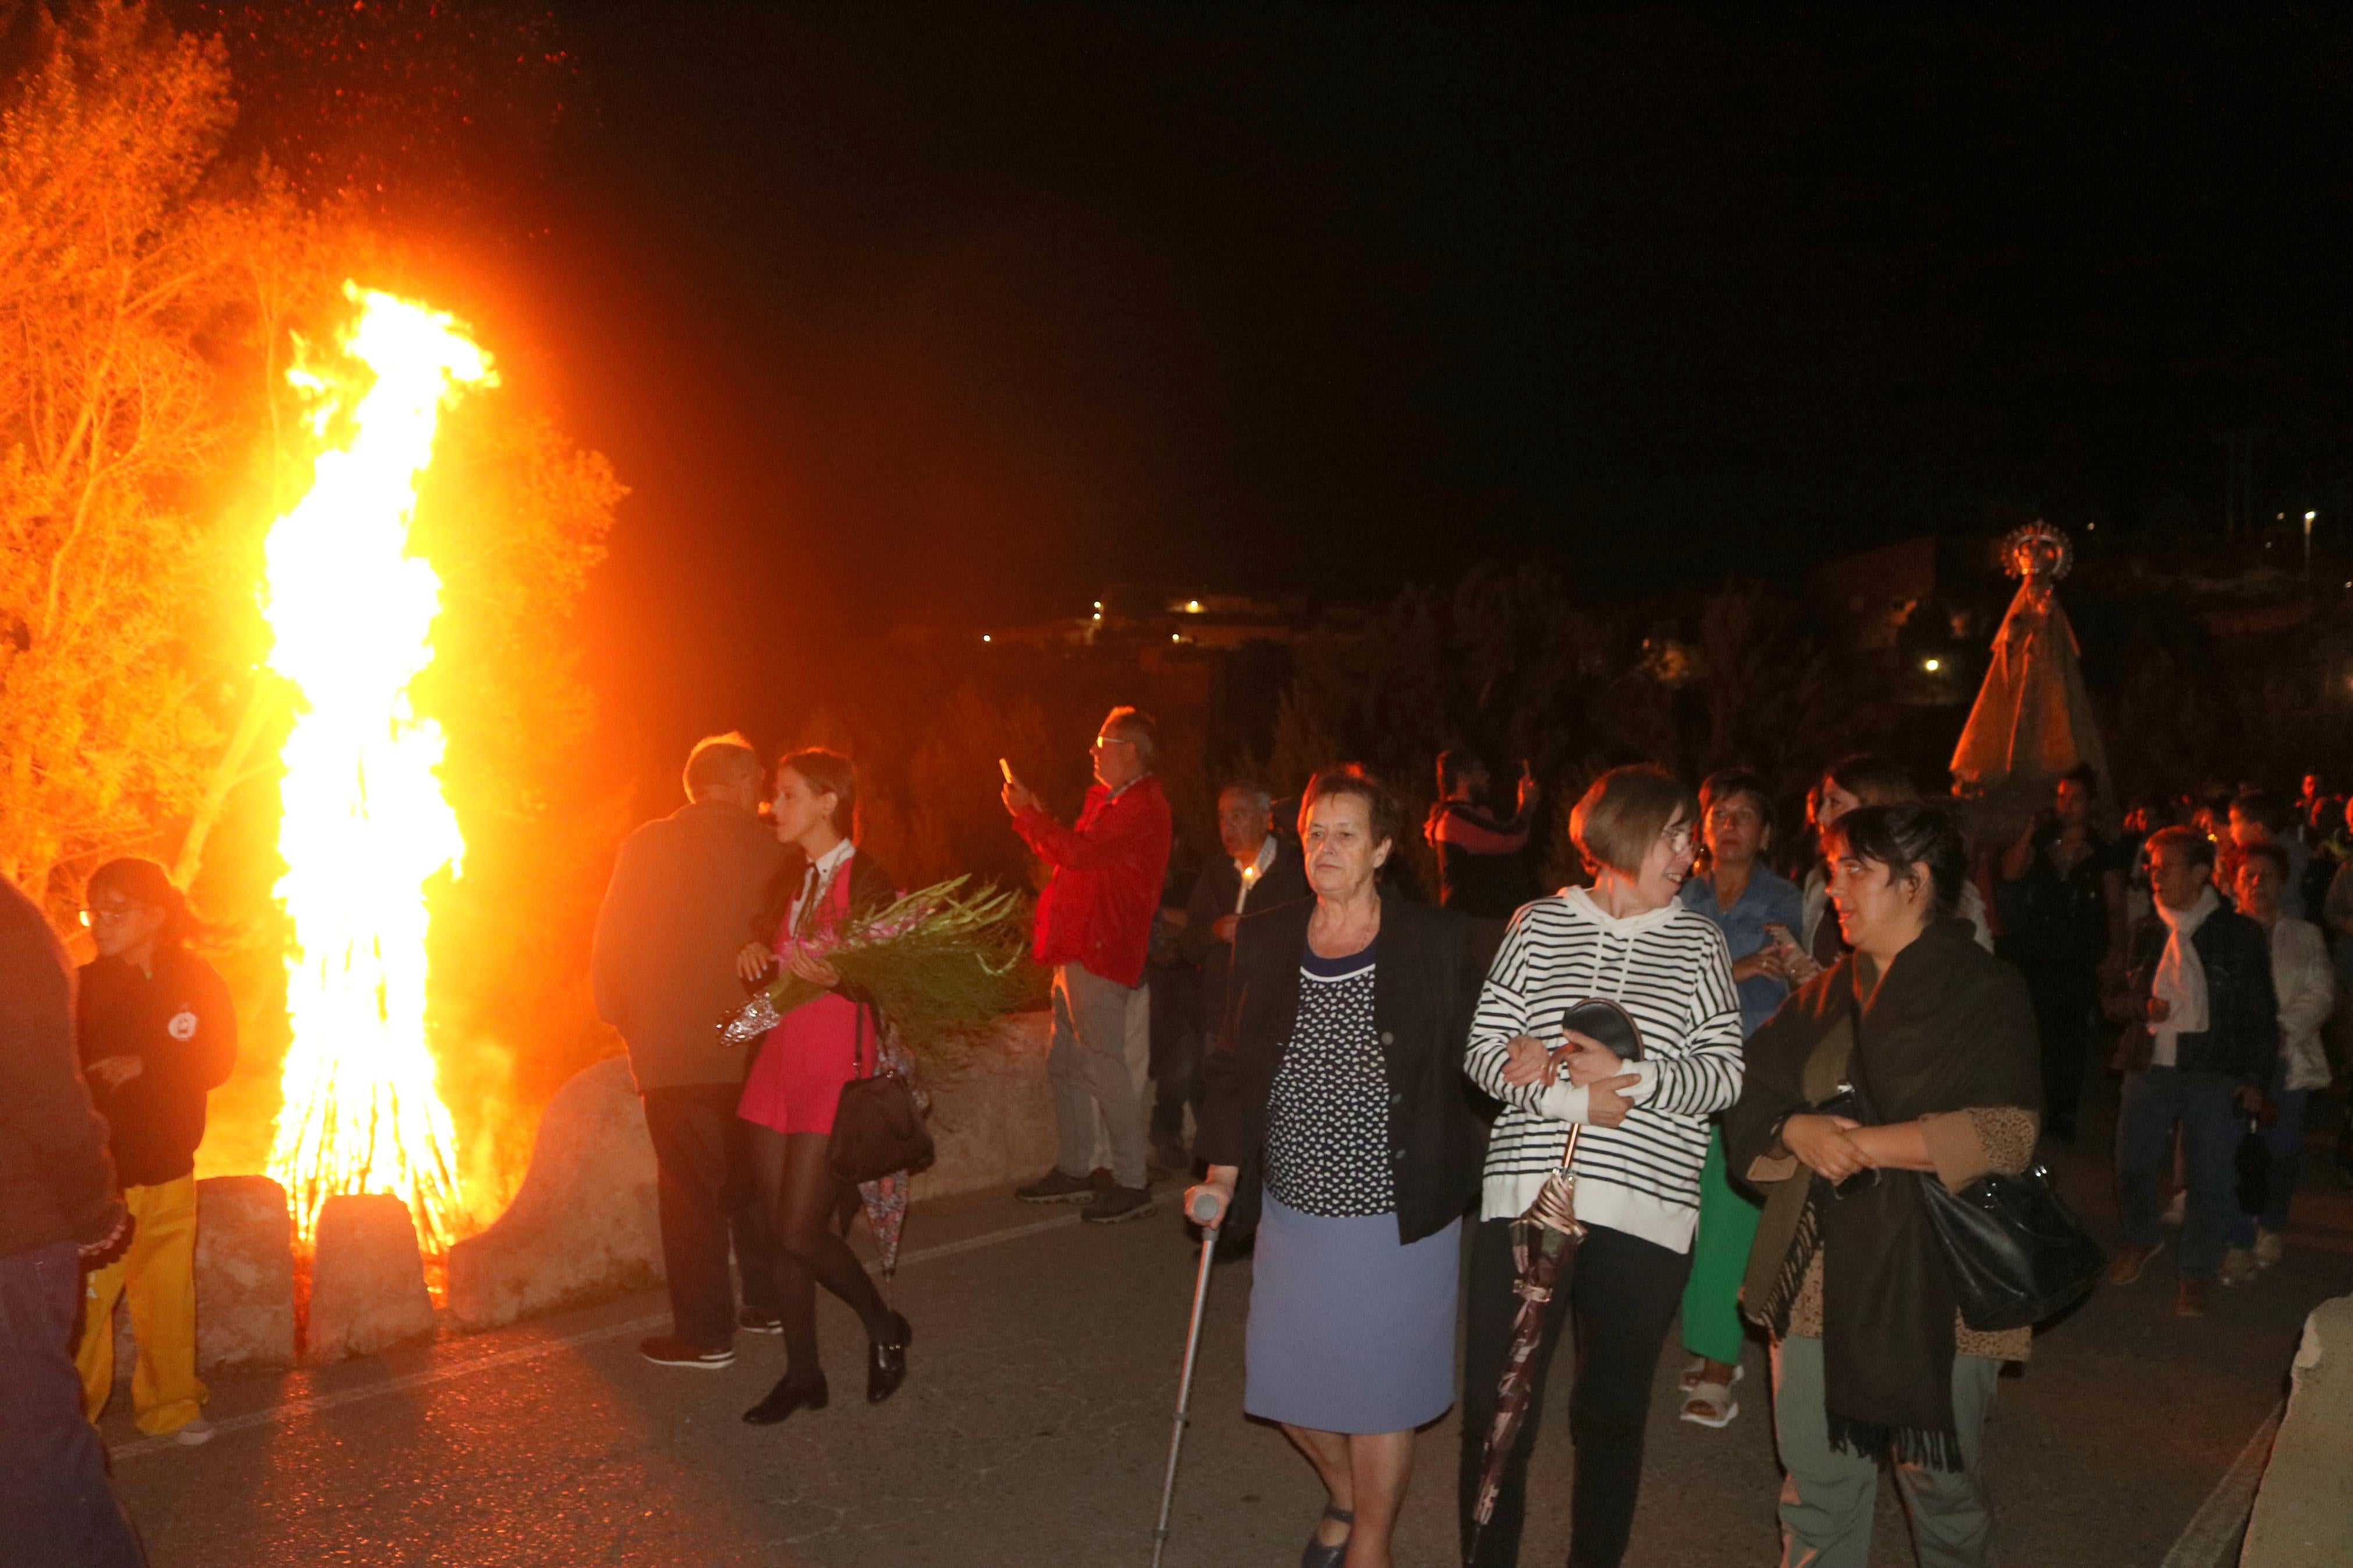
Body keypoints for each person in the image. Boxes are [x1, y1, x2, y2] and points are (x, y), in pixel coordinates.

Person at [1726, 801, 2040, 1568]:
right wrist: (1796, 1130)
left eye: (1853, 869)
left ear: (1913, 880)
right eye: (1833, 868)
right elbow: (1751, 1090)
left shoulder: (1985, 991)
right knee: (1816, 1492)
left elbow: (2006, 1131)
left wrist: (1862, 1144)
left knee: (1942, 1490)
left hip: (1943, 1277)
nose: (1833, 886)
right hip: (1817, 1274)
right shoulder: (1827, 992)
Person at [1190, 769, 1484, 1568]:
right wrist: (1221, 1171)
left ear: (1383, 849)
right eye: (1316, 831)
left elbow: (1490, 1039)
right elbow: (1228, 1066)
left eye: (1345, 833)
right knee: (1286, 1390)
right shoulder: (1268, 936)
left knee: (1380, 1394)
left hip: (1397, 1211)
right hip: (1293, 1209)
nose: (1324, 846)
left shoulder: (1433, 940)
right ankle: (1349, 1498)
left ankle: (1371, 1546)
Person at [1458, 765, 1743, 1568]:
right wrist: (1567, 1095)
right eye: (1674, 833)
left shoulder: (1698, 942)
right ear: (1621, 832)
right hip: (1526, 1196)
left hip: (1644, 1212)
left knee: (1610, 1414)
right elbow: (1482, 1052)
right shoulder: (1537, 923)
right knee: (1497, 1409)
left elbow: (1722, 1074)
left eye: (1691, 835)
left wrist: (1634, 1078)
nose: (1690, 850)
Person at [592, 733, 789, 1368]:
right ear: (736, 782)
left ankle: (706, 1335)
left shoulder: (646, 844)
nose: (762, 789)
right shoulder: (773, 847)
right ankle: (768, 1302)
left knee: (689, 1192)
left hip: (672, 1052)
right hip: (748, 1040)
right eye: (756, 776)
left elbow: (611, 946)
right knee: (755, 1178)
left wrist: (632, 1024)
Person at [729, 749, 913, 1424]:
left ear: (828, 800)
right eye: (775, 795)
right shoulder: (792, 875)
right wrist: (754, 952)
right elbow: (766, 938)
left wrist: (840, 976)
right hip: (778, 1057)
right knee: (780, 1233)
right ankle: (803, 1374)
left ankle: (883, 1323)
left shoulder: (867, 878)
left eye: (786, 795)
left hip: (835, 1065)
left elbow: (888, 979)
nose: (772, 807)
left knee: (799, 1229)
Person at [1, 873, 142, 1565]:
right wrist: (95, 1209)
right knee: (38, 1471)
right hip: (12, 1240)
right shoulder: (9, 929)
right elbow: (46, 1095)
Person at [72, 859, 236, 1445]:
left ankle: (172, 1408)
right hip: (107, 1179)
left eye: (116, 910)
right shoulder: (84, 988)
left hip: (171, 1170)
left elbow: (217, 1060)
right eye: (96, 910)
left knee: (167, 1298)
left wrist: (150, 1064)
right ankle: (73, 1425)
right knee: (87, 1311)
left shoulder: (194, 980)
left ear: (155, 915)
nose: (101, 923)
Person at [1005, 706, 1174, 1223]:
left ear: (1130, 750)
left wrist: (1027, 818)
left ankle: (1130, 1180)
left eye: (1102, 741)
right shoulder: (1113, 801)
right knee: (1067, 1063)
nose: (1093, 751)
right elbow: (1078, 856)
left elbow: (1078, 855)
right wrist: (1037, 814)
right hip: (1078, 946)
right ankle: (1076, 1168)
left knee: (1102, 1064)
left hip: (1100, 949)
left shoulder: (1142, 806)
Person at [1672, 768, 1802, 1429]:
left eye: (1743, 815)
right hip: (1682, 1071)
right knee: (1686, 1210)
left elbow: (1799, 980)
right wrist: (1742, 966)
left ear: (1765, 832)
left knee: (1727, 1212)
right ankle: (1708, 1340)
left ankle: (1718, 1361)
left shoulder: (1786, 899)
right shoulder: (1680, 893)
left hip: (1752, 1073)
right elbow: (1667, 980)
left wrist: (1739, 970)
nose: (1728, 825)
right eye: (1718, 813)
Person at [2109, 826, 2280, 1317]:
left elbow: (2258, 1014)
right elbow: (2112, 999)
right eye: (2152, 866)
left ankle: (2196, 1269)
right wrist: (2142, 1003)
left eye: (2166, 867)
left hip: (2213, 1069)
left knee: (2210, 1178)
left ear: (2202, 873)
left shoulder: (2237, 933)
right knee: (2132, 1164)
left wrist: (2254, 1079)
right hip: (2150, 1064)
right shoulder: (2147, 929)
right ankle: (2142, 1237)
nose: (2153, 875)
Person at [1169, 782, 1310, 1170]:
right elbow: (1188, 943)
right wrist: (1216, 931)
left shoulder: (1294, 870)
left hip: (1272, 1013)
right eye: (1221, 816)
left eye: (1239, 814)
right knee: (1219, 1102)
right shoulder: (1216, 873)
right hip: (1221, 1011)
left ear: (1266, 817)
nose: (1227, 826)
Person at [1993, 763, 2127, 1142]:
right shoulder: (2043, 841)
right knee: (2031, 1032)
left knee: (2068, 1037)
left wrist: (2116, 951)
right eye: (2062, 797)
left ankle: (2063, 1111)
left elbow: (2115, 906)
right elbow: (2010, 873)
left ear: (2091, 804)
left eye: (2076, 798)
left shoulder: (2102, 851)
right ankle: (2028, 1108)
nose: (2067, 805)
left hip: (2077, 956)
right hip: (2037, 951)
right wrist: (2029, 832)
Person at [2224, 842, 2333, 1278]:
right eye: (2248, 875)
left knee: (2281, 1148)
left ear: (2282, 882)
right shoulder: (2224, 933)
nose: (2257, 883)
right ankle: (2236, 1237)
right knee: (2232, 1148)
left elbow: (2321, 992)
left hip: (2287, 1058)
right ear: (2234, 881)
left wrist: (2281, 1029)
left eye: (2266, 875)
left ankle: (2270, 1225)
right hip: (2234, 1061)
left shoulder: (2304, 935)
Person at [1796, 755, 1993, 973]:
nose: (1821, 817)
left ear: (1876, 806)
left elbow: (1975, 973)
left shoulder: (1944, 889)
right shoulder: (1818, 881)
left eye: (1835, 802)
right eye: (1821, 803)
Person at [1424, 748, 1541, 919]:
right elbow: (1507, 839)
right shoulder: (1455, 820)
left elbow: (1509, 836)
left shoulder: (1473, 814)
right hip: (1474, 924)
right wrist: (1526, 807)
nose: (1487, 776)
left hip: (1484, 922)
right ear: (1462, 777)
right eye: (1479, 771)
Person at [2226, 788, 2309, 920]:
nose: (2231, 830)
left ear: (2257, 827)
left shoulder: (2290, 856)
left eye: (2235, 822)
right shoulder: (2247, 855)